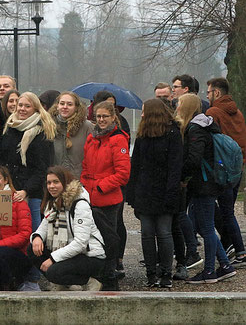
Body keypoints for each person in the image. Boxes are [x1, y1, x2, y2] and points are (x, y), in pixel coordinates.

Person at [177, 94, 236, 283]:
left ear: (187, 106)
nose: (177, 107)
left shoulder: (195, 129)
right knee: (207, 227)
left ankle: (209, 271)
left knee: (207, 229)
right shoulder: (204, 125)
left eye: (179, 104)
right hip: (208, 183)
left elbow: (194, 159)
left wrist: (183, 177)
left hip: (203, 185)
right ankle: (225, 265)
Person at [127, 99, 183, 288]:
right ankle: (151, 272)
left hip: (165, 190)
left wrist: (171, 194)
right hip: (145, 191)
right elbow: (135, 165)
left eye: (144, 111)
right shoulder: (143, 135)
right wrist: (132, 193)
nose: (141, 115)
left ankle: (166, 271)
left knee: (164, 233)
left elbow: (175, 168)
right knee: (147, 234)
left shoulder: (173, 134)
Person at [29, 166, 106, 291]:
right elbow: (42, 227)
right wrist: (37, 237)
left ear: (65, 183)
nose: (51, 186)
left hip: (89, 255)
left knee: (54, 272)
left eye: (56, 182)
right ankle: (65, 283)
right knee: (32, 249)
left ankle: (90, 282)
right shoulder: (53, 202)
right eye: (49, 183)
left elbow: (81, 243)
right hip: (67, 252)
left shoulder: (80, 204)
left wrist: (53, 259)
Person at [80, 100, 130, 290]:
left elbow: (123, 174)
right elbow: (85, 165)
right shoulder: (92, 137)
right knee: (90, 238)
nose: (101, 120)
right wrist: (85, 185)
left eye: (105, 117)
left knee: (108, 239)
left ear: (113, 117)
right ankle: (96, 276)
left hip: (107, 198)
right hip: (90, 196)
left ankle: (109, 276)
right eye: (98, 116)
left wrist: (101, 186)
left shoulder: (118, 139)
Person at [0, 92, 55, 231]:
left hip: (32, 193)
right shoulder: (10, 127)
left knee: (32, 232)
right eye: (20, 105)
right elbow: (0, 159)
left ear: (36, 109)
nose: (22, 109)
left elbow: (42, 169)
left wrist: (25, 191)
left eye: (27, 106)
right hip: (8, 190)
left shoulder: (41, 133)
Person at [205, 77, 246, 264]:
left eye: (209, 92)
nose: (207, 95)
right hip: (238, 166)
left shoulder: (213, 112)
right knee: (227, 210)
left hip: (223, 168)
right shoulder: (237, 112)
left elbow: (211, 140)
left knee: (225, 212)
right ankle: (229, 246)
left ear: (217, 93)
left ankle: (240, 251)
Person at [48, 91, 94, 178]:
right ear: (57, 106)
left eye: (69, 104)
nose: (65, 107)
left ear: (76, 107)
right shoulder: (49, 126)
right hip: (56, 181)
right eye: (62, 104)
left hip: (80, 180)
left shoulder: (87, 127)